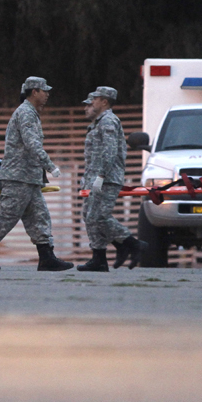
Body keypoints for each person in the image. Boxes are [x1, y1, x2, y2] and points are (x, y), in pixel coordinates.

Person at [0, 76, 73, 272]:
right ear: (34, 92)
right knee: (8, 215)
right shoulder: (25, 113)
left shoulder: (30, 113)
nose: (47, 94)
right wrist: (49, 165)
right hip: (18, 177)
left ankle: (46, 257)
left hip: (28, 178)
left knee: (39, 216)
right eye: (44, 91)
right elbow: (32, 144)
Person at [76, 86, 147, 272]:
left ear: (104, 101)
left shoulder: (108, 121)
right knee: (90, 217)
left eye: (96, 99)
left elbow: (109, 152)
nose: (92, 103)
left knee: (98, 217)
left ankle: (131, 243)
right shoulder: (99, 122)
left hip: (106, 178)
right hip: (97, 177)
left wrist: (100, 176)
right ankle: (100, 257)